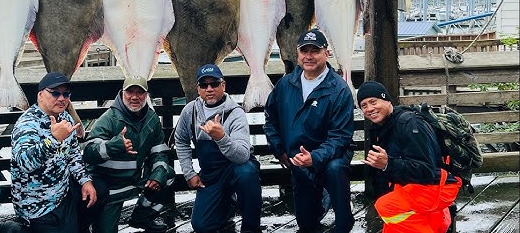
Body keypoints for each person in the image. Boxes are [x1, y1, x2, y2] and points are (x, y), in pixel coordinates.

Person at [264, 29, 355, 233]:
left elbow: (341, 136)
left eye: (315, 51)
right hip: (298, 160)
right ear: (298, 54)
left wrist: (315, 157)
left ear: (326, 54)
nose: (309, 56)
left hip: (332, 157)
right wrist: (280, 150)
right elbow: (271, 118)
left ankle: (343, 214)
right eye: (304, 51)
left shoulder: (339, 89)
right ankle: (320, 199)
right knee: (306, 224)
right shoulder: (285, 84)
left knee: (334, 172)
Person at [357, 81, 462, 233]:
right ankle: (439, 220)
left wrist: (388, 164)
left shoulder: (410, 123)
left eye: (373, 102)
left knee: (386, 206)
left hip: (438, 185)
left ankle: (438, 216)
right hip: (412, 186)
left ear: (387, 100)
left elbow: (426, 171)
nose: (369, 109)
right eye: (364, 105)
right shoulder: (382, 128)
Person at [174, 64, 263, 233]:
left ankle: (251, 227)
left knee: (247, 173)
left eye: (214, 84)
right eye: (204, 85)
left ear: (223, 85)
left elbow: (242, 156)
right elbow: (180, 140)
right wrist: (189, 173)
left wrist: (221, 137)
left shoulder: (236, 113)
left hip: (235, 168)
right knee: (201, 225)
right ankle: (227, 204)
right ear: (198, 89)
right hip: (211, 175)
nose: (209, 89)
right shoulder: (190, 111)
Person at [82, 76, 175, 233]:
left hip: (136, 180)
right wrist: (113, 146)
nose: (134, 97)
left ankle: (142, 216)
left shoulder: (152, 119)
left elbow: (159, 153)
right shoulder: (109, 119)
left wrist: (157, 175)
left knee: (168, 175)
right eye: (130, 92)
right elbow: (88, 152)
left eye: (140, 92)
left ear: (147, 95)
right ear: (122, 93)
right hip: (110, 188)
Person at [10, 71, 97, 232]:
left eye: (66, 94)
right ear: (40, 96)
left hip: (63, 194)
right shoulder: (27, 124)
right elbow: (25, 164)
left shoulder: (66, 118)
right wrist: (53, 140)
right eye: (55, 93)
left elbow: (73, 155)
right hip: (37, 206)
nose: (62, 98)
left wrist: (85, 181)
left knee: (100, 190)